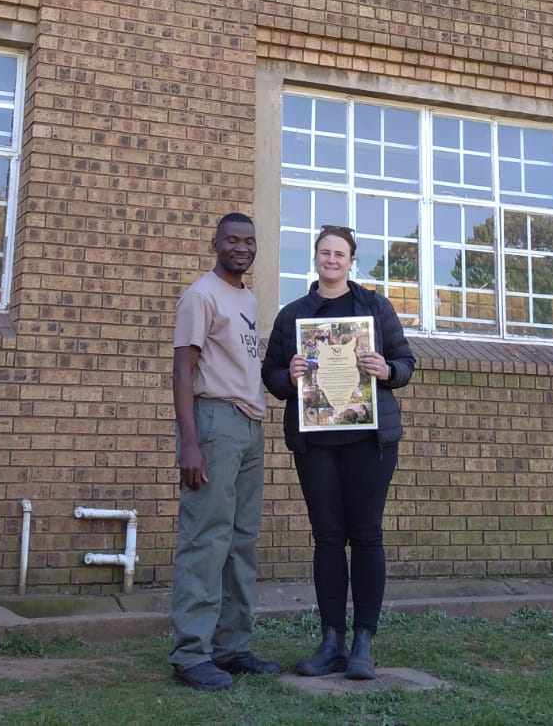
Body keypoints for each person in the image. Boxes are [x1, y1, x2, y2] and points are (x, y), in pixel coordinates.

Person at [262, 225, 415, 681]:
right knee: (327, 537)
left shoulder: (374, 307)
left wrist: (386, 368)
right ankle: (331, 641)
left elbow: (406, 363)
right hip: (316, 443)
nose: (332, 260)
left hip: (370, 441)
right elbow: (270, 376)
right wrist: (287, 376)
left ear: (351, 261)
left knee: (366, 534)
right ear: (315, 258)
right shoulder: (293, 316)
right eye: (325, 252)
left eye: (340, 253)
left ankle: (363, 641)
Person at [168, 212, 282, 691]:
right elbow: (181, 370)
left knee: (240, 542)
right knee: (206, 539)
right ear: (214, 242)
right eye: (232, 239)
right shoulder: (201, 295)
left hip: (250, 426)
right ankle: (191, 655)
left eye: (249, 240)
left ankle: (231, 647)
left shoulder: (247, 298)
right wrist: (190, 443)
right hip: (214, 423)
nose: (241, 247)